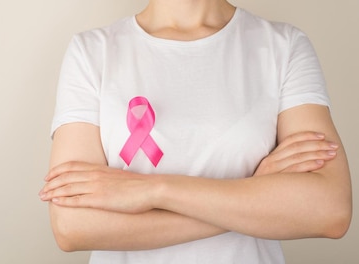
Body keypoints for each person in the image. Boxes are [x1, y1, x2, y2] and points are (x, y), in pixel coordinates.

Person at [38, 0, 352, 263]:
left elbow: (329, 210)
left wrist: (154, 191)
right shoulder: (92, 52)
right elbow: (72, 226)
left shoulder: (283, 47)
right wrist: (251, 191)